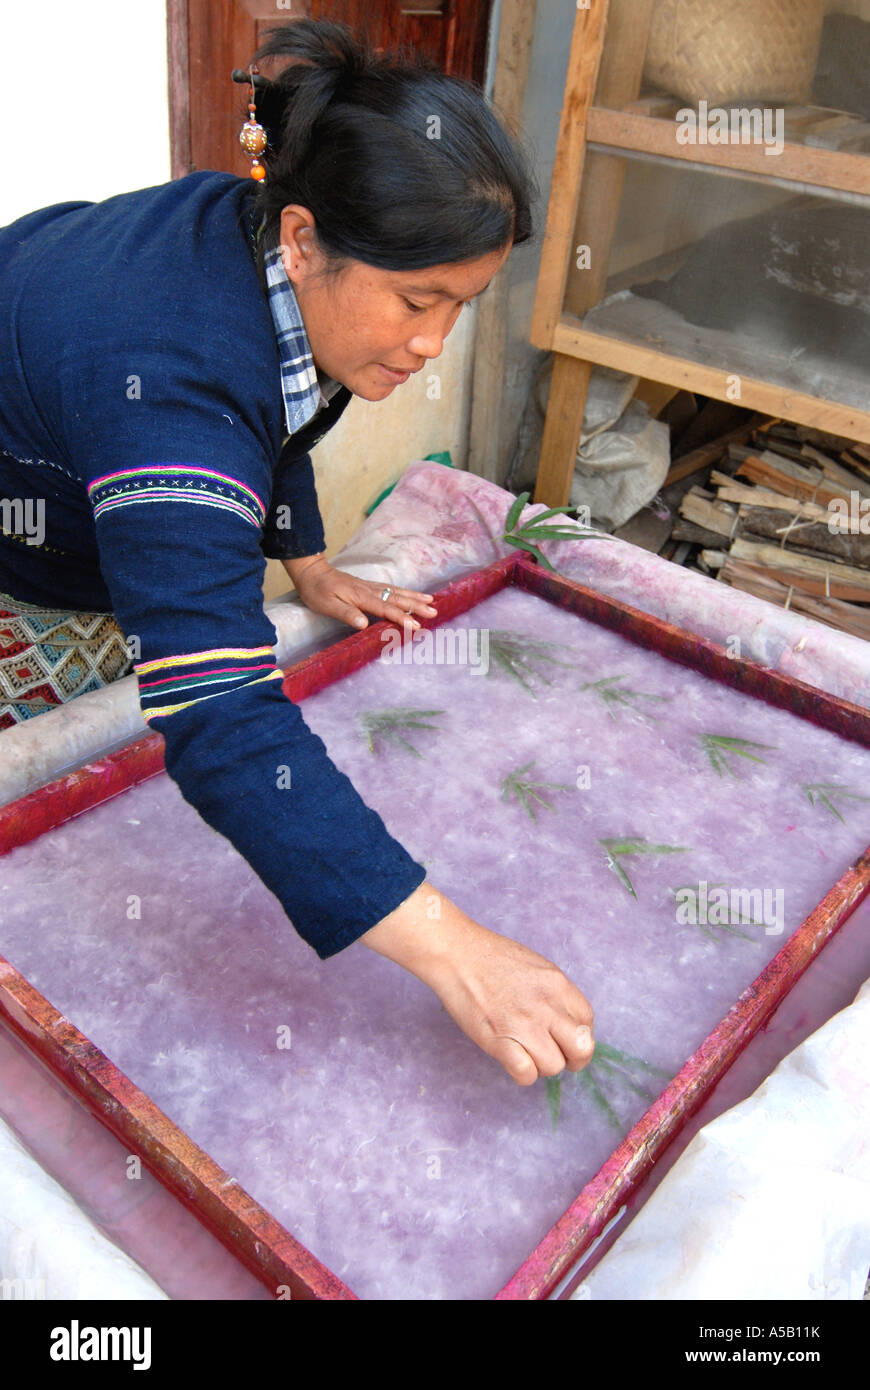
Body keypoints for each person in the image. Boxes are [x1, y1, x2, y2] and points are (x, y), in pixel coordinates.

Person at [0, 19, 594, 1086]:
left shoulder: (257, 242)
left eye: (461, 307)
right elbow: (217, 713)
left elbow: (276, 411)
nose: (430, 348)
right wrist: (449, 945)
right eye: (418, 301)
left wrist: (309, 566)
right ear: (309, 239)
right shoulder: (169, 394)